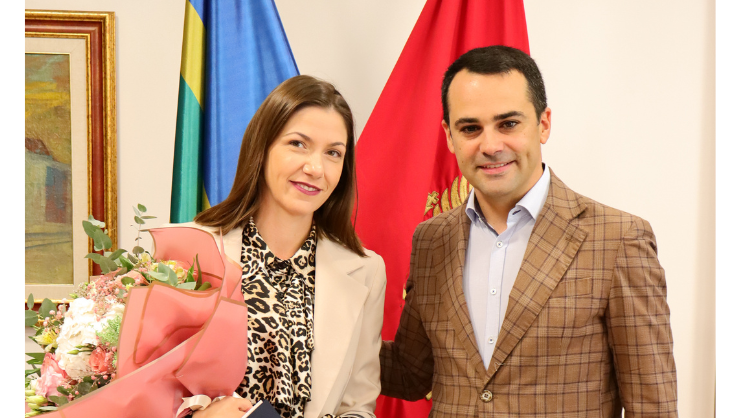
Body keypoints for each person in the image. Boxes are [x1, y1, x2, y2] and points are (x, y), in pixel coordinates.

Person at [379, 46, 678, 417]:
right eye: (470, 128)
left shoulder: (618, 240)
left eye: (508, 124)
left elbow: (652, 406)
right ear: (449, 136)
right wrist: (322, 314)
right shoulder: (430, 240)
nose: (490, 146)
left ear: (544, 124)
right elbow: (410, 373)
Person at [178, 75, 386, 418]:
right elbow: (149, 390)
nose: (315, 168)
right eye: (298, 144)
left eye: (333, 153)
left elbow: (358, 406)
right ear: (262, 147)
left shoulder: (366, 270)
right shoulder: (189, 250)